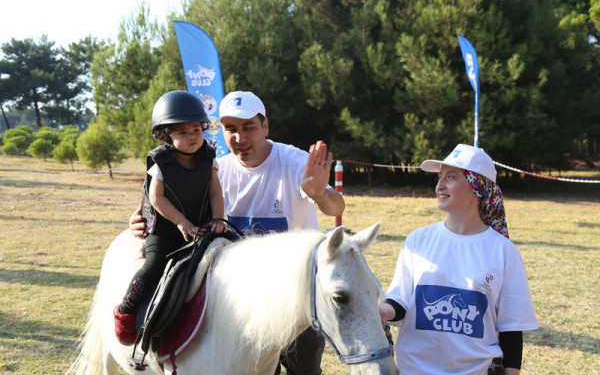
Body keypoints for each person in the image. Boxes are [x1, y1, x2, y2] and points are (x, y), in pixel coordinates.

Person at [129, 90, 345, 374]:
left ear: (265, 126)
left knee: (304, 369)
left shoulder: (293, 160)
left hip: (295, 292)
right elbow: (173, 204)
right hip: (244, 297)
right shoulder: (215, 168)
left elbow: (336, 206)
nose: (239, 137)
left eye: (248, 127)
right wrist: (143, 219)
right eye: (230, 128)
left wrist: (319, 195)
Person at [379, 144, 538, 375]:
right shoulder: (417, 240)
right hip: (414, 370)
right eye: (440, 177)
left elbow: (511, 328)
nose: (440, 186)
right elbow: (399, 301)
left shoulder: (504, 251)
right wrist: (383, 311)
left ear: (477, 187)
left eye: (451, 177)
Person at [114, 90, 226, 345]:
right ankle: (126, 310)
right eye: (183, 132)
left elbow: (215, 192)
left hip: (201, 229)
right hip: (164, 231)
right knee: (153, 265)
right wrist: (181, 222)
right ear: (166, 135)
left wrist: (219, 219)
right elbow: (156, 198)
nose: (192, 137)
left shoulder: (209, 159)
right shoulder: (161, 163)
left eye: (196, 130)